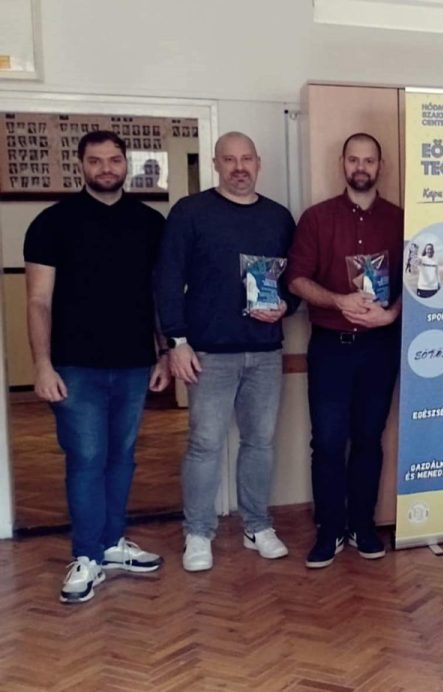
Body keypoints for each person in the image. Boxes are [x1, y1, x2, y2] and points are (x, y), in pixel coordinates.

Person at [24, 130, 169, 604]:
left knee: (121, 457)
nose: (106, 168)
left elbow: (158, 296)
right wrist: (42, 365)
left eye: (114, 160)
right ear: (80, 166)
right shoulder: (52, 223)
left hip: (134, 364)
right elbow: (38, 301)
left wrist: (164, 352)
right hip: (75, 366)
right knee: (87, 459)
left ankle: (111, 545)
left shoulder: (150, 223)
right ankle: (86, 555)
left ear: (126, 164)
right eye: (95, 160)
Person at [154, 131, 297, 572]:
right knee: (204, 445)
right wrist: (176, 342)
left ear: (258, 163)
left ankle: (257, 526)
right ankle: (198, 533)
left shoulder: (278, 217)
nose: (239, 167)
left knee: (260, 443)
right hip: (208, 354)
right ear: (216, 164)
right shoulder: (190, 212)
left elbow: (295, 280)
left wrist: (287, 306)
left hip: (265, 352)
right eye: (229, 159)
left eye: (246, 158)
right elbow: (167, 277)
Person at [285, 132, 403, 569]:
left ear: (380, 166)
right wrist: (339, 300)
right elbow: (296, 279)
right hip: (331, 347)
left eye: (369, 160)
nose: (361, 167)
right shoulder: (317, 218)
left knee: (370, 440)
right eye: (354, 160)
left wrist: (390, 315)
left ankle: (362, 527)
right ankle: (330, 530)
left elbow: (418, 283)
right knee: (328, 442)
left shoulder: (400, 221)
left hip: (380, 347)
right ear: (342, 164)